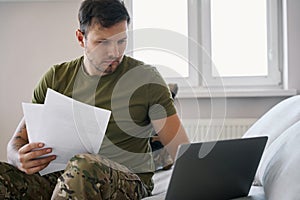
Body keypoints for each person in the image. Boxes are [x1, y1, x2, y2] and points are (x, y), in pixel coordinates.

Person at [0, 0, 190, 199]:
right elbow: (17, 141)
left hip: (124, 181)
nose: (114, 53)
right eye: (102, 42)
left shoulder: (146, 80)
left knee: (83, 166)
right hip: (59, 177)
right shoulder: (56, 78)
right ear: (81, 38)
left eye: (121, 41)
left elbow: (182, 150)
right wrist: (17, 158)